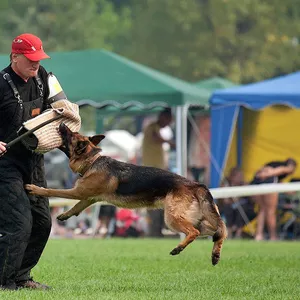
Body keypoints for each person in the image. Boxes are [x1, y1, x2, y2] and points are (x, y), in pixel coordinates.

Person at [0, 33, 53, 290]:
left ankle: (21, 276)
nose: (36, 64)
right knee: (19, 224)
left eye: (39, 59)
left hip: (34, 160)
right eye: (31, 60)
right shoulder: (0, 84)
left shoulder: (43, 78)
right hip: (5, 165)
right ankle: (5, 282)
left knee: (43, 222)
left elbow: (59, 104)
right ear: (15, 57)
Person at [141, 108, 175, 237]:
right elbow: (157, 139)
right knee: (153, 200)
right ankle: (153, 230)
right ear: (163, 117)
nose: (169, 124)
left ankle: (158, 229)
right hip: (152, 172)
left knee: (160, 200)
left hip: (157, 171)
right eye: (169, 120)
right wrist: (170, 143)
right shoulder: (152, 128)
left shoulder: (154, 128)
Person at [251, 158, 297, 241]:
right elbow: (272, 172)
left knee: (262, 210)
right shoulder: (285, 167)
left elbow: (261, 172)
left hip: (256, 182)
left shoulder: (273, 164)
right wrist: (265, 175)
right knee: (271, 211)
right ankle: (273, 236)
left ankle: (259, 235)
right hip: (267, 182)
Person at [220, 167, 255, 239]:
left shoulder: (243, 185)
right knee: (228, 208)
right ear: (232, 177)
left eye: (242, 176)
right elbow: (225, 201)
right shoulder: (226, 184)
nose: (241, 178)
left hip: (243, 208)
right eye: (239, 176)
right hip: (229, 207)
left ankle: (238, 233)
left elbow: (251, 199)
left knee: (242, 208)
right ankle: (229, 232)